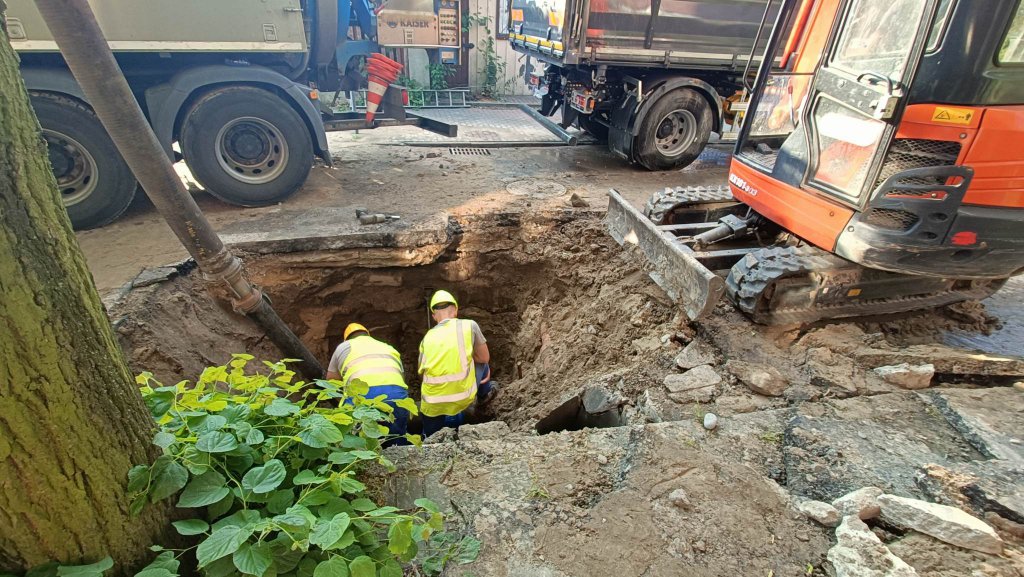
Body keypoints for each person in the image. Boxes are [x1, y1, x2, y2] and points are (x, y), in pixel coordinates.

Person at [417, 290, 494, 437]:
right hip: (463, 399)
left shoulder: (426, 338)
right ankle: (484, 395)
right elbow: (484, 358)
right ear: (456, 310)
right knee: (483, 364)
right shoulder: (469, 325)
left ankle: (428, 437)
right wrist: (468, 357)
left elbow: (421, 374)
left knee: (429, 435)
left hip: (432, 404)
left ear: (434, 316)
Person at [325, 322, 409, 443]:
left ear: (346, 339)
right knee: (396, 439)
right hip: (396, 395)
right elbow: (401, 377)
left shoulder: (344, 347)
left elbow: (331, 381)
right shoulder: (387, 347)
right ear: (367, 335)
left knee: (356, 441)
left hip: (363, 395)